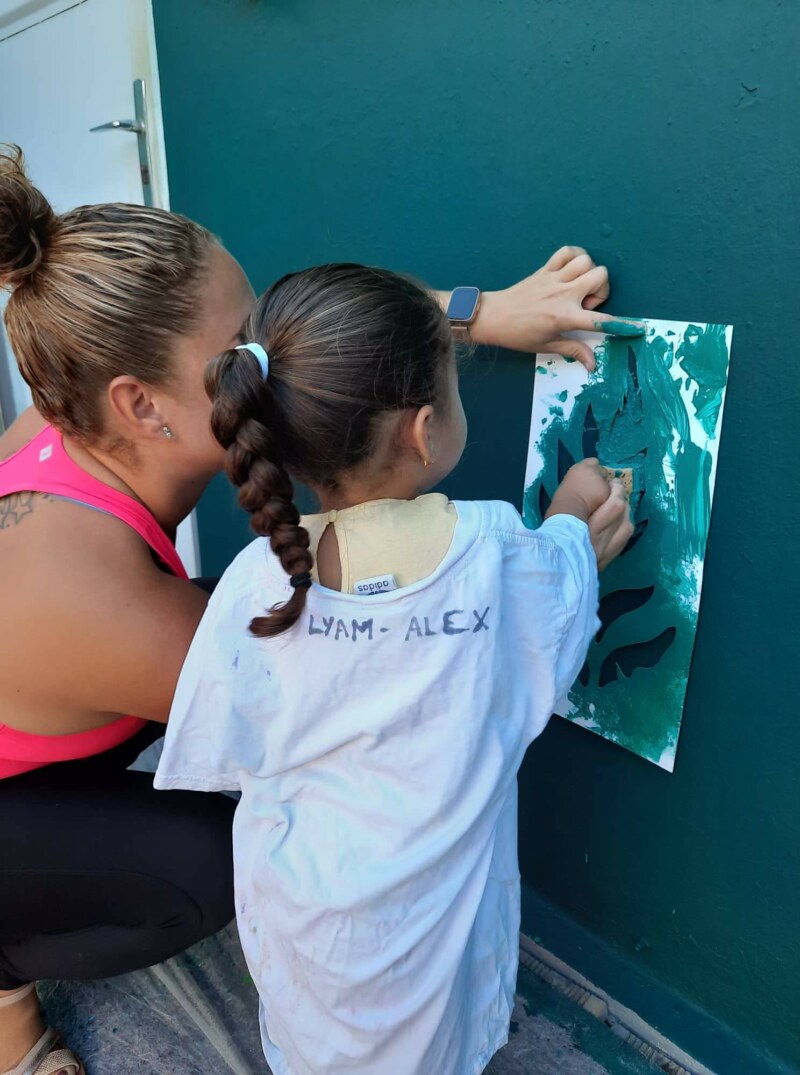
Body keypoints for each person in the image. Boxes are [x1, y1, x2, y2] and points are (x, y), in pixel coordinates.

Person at [0, 144, 637, 1075]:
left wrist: (477, 313)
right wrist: (561, 547)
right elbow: (381, 682)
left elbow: (315, 344)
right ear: (141, 404)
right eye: (240, 346)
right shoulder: (103, 605)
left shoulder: (69, 406)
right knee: (212, 857)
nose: (274, 356)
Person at [154, 264, 634, 1075]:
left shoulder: (254, 578)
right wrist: (572, 515)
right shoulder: (499, 555)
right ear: (423, 430)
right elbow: (554, 607)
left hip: (303, 924)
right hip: (432, 948)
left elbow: (221, 739)